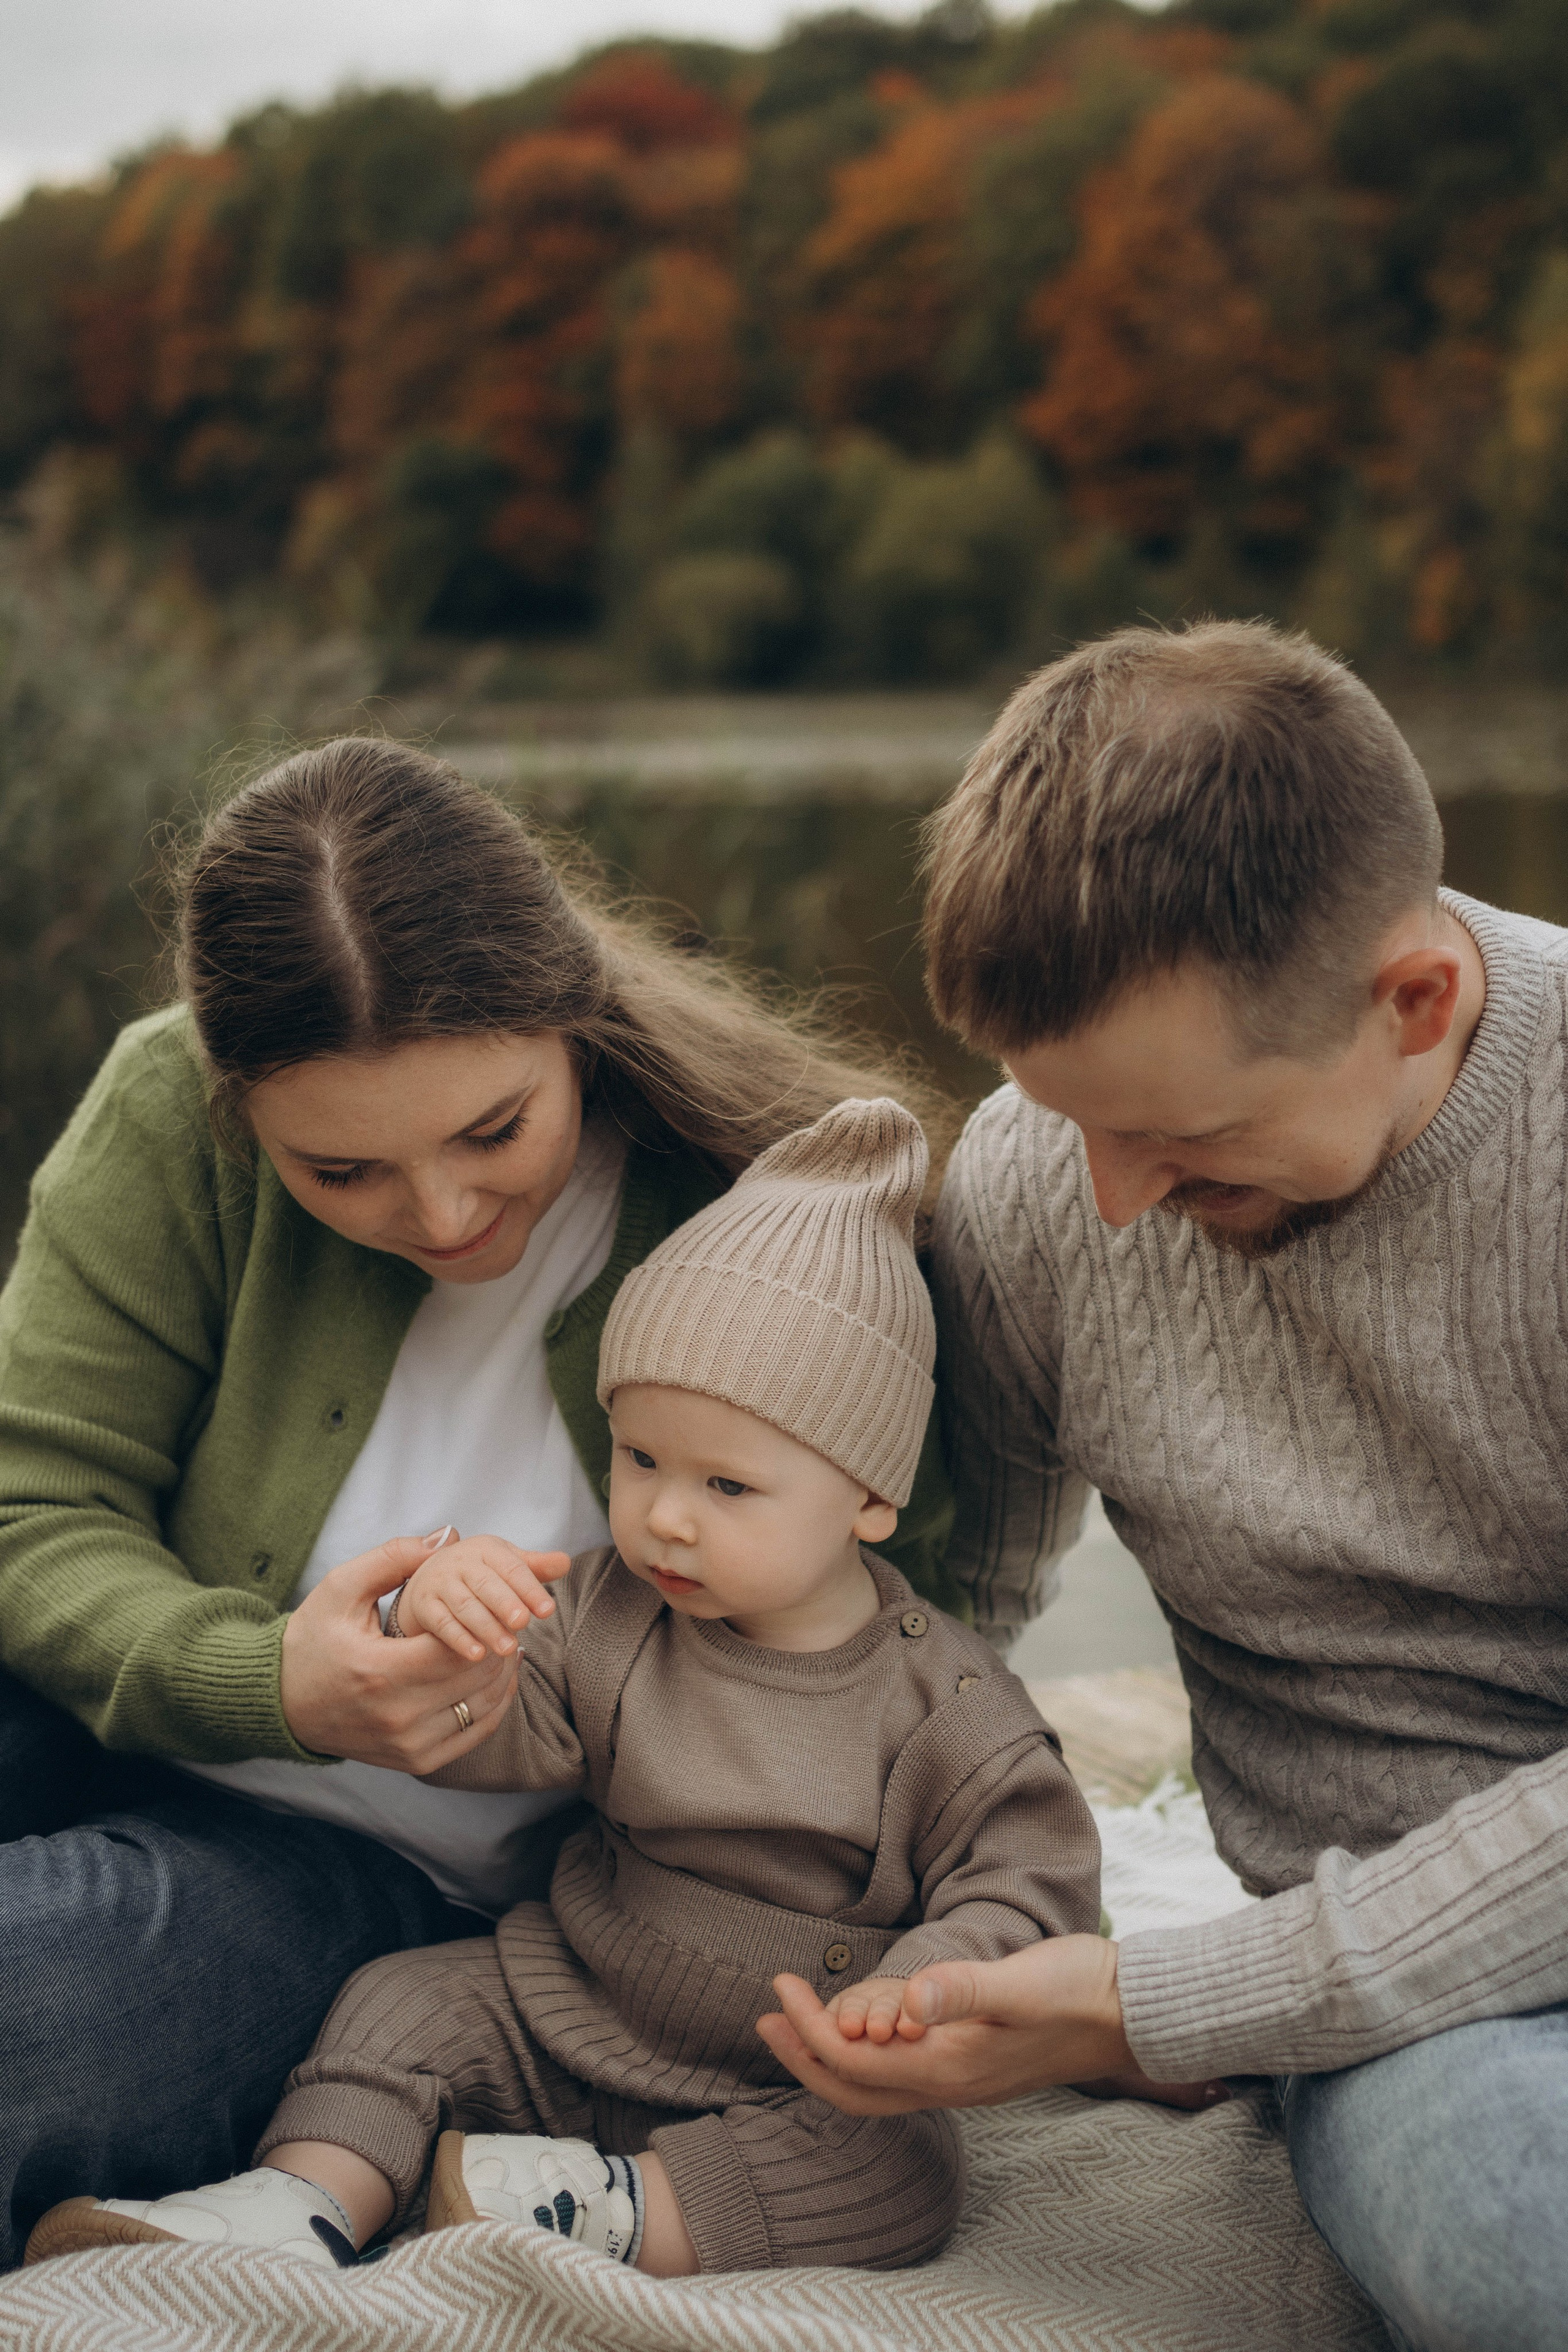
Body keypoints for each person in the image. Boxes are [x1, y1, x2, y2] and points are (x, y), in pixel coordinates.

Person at [0, 740, 957, 2272]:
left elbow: (891, 1643)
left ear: (573, 1016)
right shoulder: (166, 1109)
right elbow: (35, 1501)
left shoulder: (771, 1214)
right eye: (340, 1171)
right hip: (92, 1704)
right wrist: (268, 1679)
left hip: (395, 1875)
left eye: (494, 1132)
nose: (442, 1215)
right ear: (240, 1107)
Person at [757, 623, 1568, 2352]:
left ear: (1411, 1002)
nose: (1112, 1204)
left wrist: (1162, 2001)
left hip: (1331, 1967)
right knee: (1520, 2247)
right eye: (1069, 1121)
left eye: (1184, 1140)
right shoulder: (1044, 1177)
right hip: (1421, 2024)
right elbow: (942, 1625)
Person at [26, 1100, 1100, 2277]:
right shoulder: (613, 1615)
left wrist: (926, 1988)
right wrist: (443, 1622)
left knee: (899, 2168)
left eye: (728, 1487)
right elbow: (486, 1726)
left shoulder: (948, 1706)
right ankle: (302, 2201)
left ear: (871, 1500)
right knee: (404, 2006)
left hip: (789, 2059)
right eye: (640, 1458)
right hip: (566, 1996)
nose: (666, 1516)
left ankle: (610, 2207)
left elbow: (1028, 1884)